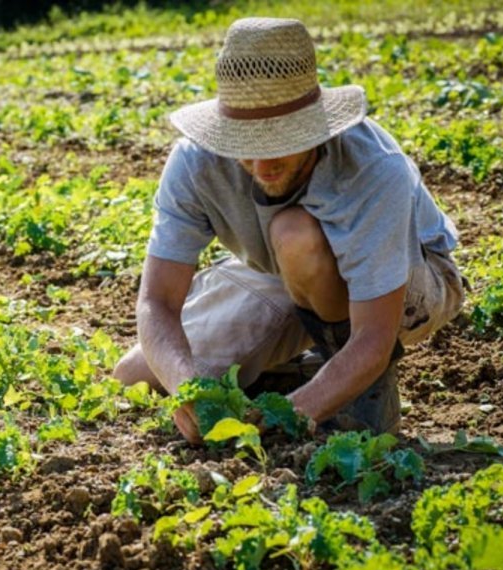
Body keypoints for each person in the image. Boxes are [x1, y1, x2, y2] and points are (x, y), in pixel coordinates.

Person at [113, 17, 465, 444]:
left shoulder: (372, 167)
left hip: (408, 284)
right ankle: (305, 372)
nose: (262, 166)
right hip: (283, 273)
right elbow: (157, 302)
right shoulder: (195, 162)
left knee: (294, 232)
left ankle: (362, 392)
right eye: (245, 145)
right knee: (136, 373)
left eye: (279, 143)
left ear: (315, 126)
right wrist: (186, 389)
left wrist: (289, 415)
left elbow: (373, 335)